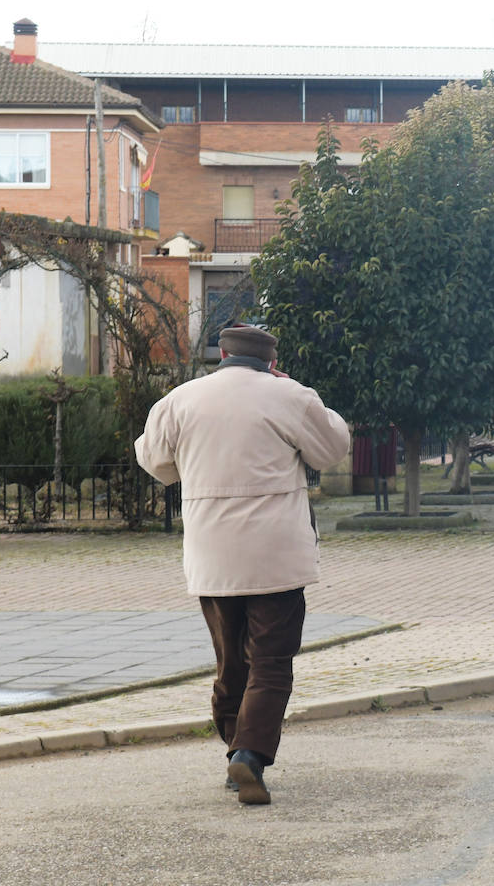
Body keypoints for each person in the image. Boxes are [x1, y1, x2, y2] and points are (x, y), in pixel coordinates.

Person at [135, 324, 351, 805]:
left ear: (223, 354)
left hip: (213, 552)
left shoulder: (181, 399)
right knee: (271, 662)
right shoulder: (288, 395)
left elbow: (155, 461)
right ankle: (249, 754)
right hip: (277, 554)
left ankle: (236, 756)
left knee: (231, 662)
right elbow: (332, 448)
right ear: (270, 361)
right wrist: (303, 394)